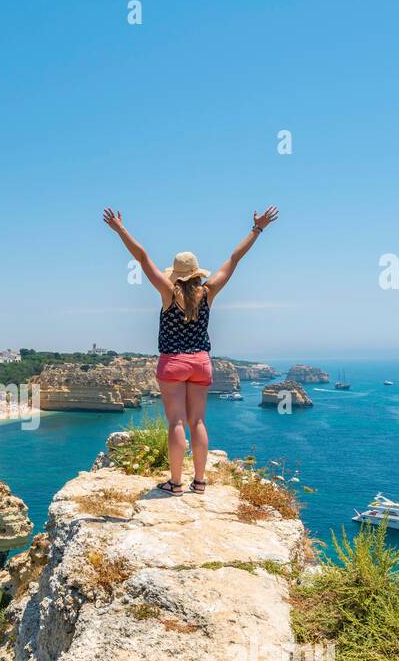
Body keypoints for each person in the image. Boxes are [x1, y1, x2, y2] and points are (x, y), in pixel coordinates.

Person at [103, 205, 279, 495]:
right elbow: (234, 259)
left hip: (172, 362)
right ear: (197, 274)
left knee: (176, 422)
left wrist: (120, 229)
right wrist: (257, 228)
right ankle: (200, 482)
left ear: (176, 275)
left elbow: (143, 257)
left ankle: (175, 483)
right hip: (200, 362)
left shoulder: (168, 293)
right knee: (197, 421)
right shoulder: (209, 292)